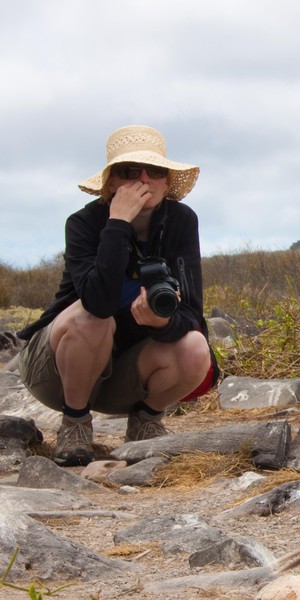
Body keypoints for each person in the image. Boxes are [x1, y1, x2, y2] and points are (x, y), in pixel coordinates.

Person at [17, 125, 218, 466]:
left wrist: (162, 322)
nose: (143, 180)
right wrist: (117, 224)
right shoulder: (83, 223)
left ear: (167, 180)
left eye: (155, 171)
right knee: (91, 319)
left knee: (195, 346)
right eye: (129, 172)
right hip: (57, 373)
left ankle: (145, 422)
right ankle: (75, 423)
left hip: (124, 378)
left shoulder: (182, 222)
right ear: (111, 183)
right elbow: (97, 302)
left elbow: (193, 315)